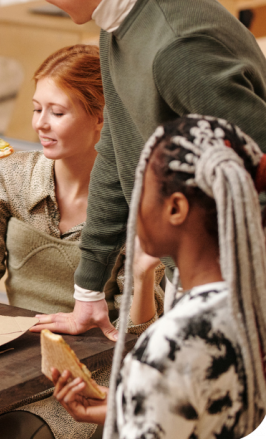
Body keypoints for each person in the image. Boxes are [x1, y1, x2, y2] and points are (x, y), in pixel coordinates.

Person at [2, 0, 266, 340]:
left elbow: (260, 172)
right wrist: (88, 292)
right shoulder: (120, 19)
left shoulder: (177, 49)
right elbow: (118, 153)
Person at [0, 45, 163, 439]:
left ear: (101, 117)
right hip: (13, 353)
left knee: (18, 432)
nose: (40, 124)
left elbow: (138, 338)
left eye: (58, 112)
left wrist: (146, 271)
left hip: (94, 368)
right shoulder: (10, 178)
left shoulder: (138, 198)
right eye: (37, 109)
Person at [51, 115, 266, 439]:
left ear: (176, 208)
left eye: (140, 190)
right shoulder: (248, 303)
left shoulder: (173, 343)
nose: (132, 206)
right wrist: (130, 404)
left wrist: (146, 388)